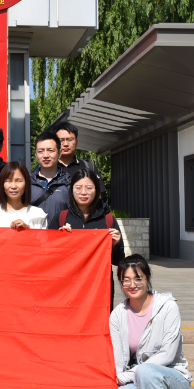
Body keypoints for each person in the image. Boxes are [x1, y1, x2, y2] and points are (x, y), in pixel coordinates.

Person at [109, 255, 192, 389]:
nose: (132, 285)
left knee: (146, 370)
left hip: (172, 377)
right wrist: (119, 378)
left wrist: (128, 376)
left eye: (138, 278)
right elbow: (118, 360)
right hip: (135, 377)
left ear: (147, 278)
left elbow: (168, 354)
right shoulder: (118, 315)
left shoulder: (167, 307)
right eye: (126, 280)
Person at [54, 168, 124, 312]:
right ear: (71, 190)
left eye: (89, 188)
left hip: (98, 288)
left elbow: (118, 261)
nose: (83, 192)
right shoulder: (61, 218)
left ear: (97, 191)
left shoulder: (108, 219)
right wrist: (59, 239)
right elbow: (48, 257)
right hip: (67, 287)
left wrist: (115, 245)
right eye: (78, 187)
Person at [0, 161, 47, 229]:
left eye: (18, 181)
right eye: (8, 181)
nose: (13, 186)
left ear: (26, 183)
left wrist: (28, 230)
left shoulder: (37, 215)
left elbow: (42, 236)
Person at [30, 132, 71, 227]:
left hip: (60, 234)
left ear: (59, 153)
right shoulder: (27, 182)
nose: (45, 155)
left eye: (50, 150)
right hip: (34, 235)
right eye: (41, 151)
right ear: (36, 154)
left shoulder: (69, 182)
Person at [54, 121, 107, 196]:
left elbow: (99, 195)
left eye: (70, 139)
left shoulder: (88, 166)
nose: (65, 144)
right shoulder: (44, 169)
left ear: (76, 142)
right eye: (61, 140)